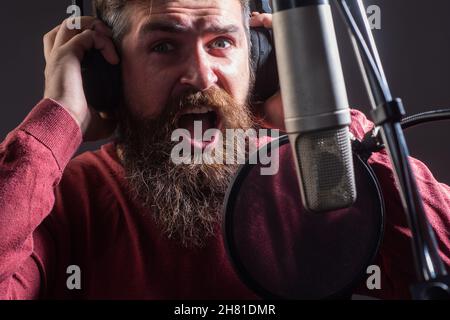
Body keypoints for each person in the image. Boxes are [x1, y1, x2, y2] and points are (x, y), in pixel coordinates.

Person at [0, 0, 449, 300]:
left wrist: (327, 124)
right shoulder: (65, 197)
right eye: (163, 46)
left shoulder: (322, 173)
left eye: (221, 43)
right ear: (107, 74)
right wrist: (56, 122)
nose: (201, 76)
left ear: (261, 62)